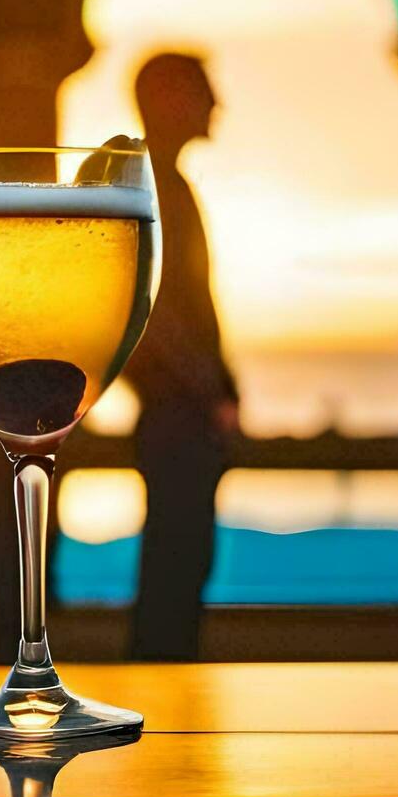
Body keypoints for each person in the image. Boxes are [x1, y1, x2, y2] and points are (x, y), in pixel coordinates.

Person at [126, 52, 238, 660]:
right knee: (177, 560)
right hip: (177, 415)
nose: (216, 104)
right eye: (205, 90)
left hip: (179, 410)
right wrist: (212, 391)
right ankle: (162, 693)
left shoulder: (161, 186)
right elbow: (159, 313)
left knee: (179, 559)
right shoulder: (152, 190)